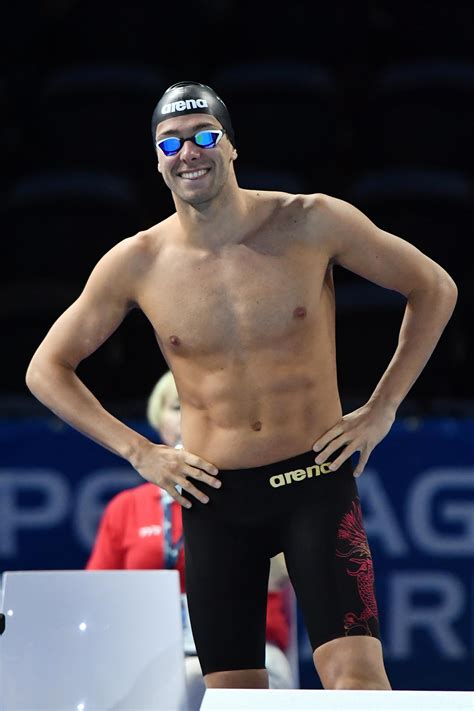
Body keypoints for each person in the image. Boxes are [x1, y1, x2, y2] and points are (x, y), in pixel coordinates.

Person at [26, 80, 457, 692]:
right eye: (170, 142)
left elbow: (433, 287)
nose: (188, 152)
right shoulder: (138, 262)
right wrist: (141, 452)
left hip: (314, 481)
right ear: (157, 160)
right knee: (234, 697)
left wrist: (382, 408)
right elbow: (45, 369)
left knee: (357, 680)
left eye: (203, 136)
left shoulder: (309, 221)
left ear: (230, 145)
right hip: (215, 498)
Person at [86, 370, 295, 708]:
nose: (191, 416)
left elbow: (293, 571)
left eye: (206, 405)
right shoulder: (126, 508)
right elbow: (98, 594)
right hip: (149, 652)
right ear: (159, 422)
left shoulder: (259, 492)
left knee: (198, 679)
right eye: (177, 406)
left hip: (252, 649)